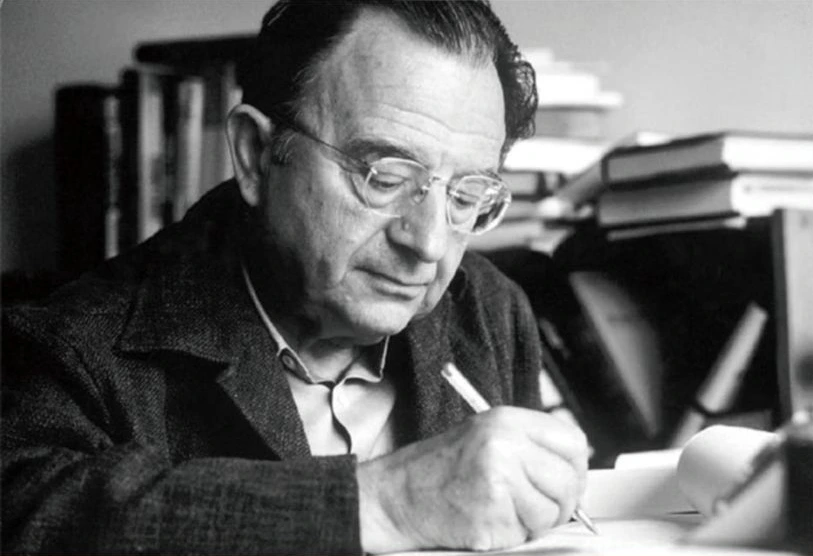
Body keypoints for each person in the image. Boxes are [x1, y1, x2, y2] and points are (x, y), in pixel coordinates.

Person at [2, 1, 589, 553]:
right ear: (256, 154)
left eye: (466, 196)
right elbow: (25, 513)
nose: (429, 244)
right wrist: (385, 503)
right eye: (384, 178)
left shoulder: (486, 308)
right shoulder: (78, 348)